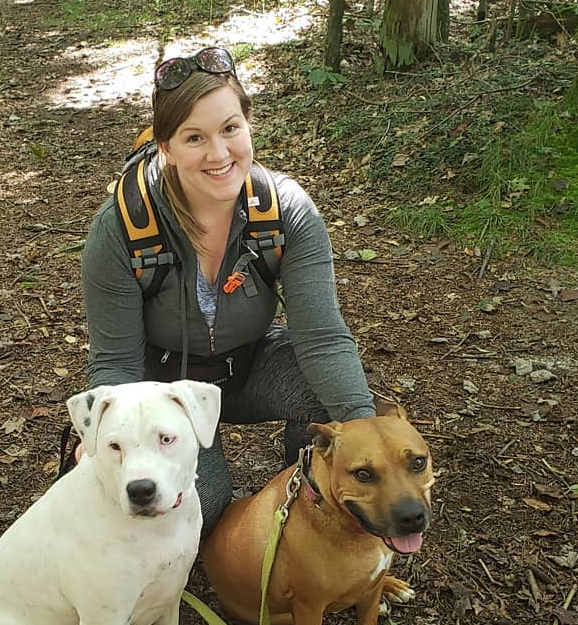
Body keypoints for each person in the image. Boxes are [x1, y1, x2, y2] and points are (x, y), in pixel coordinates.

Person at [81, 46, 375, 535]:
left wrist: (367, 434)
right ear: (166, 147)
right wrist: (100, 436)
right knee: (202, 505)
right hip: (164, 386)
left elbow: (322, 337)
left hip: (253, 361)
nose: (219, 154)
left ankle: (308, 520)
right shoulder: (121, 229)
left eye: (230, 129)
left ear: (248, 126)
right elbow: (115, 361)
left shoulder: (285, 212)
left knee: (336, 408)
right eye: (195, 137)